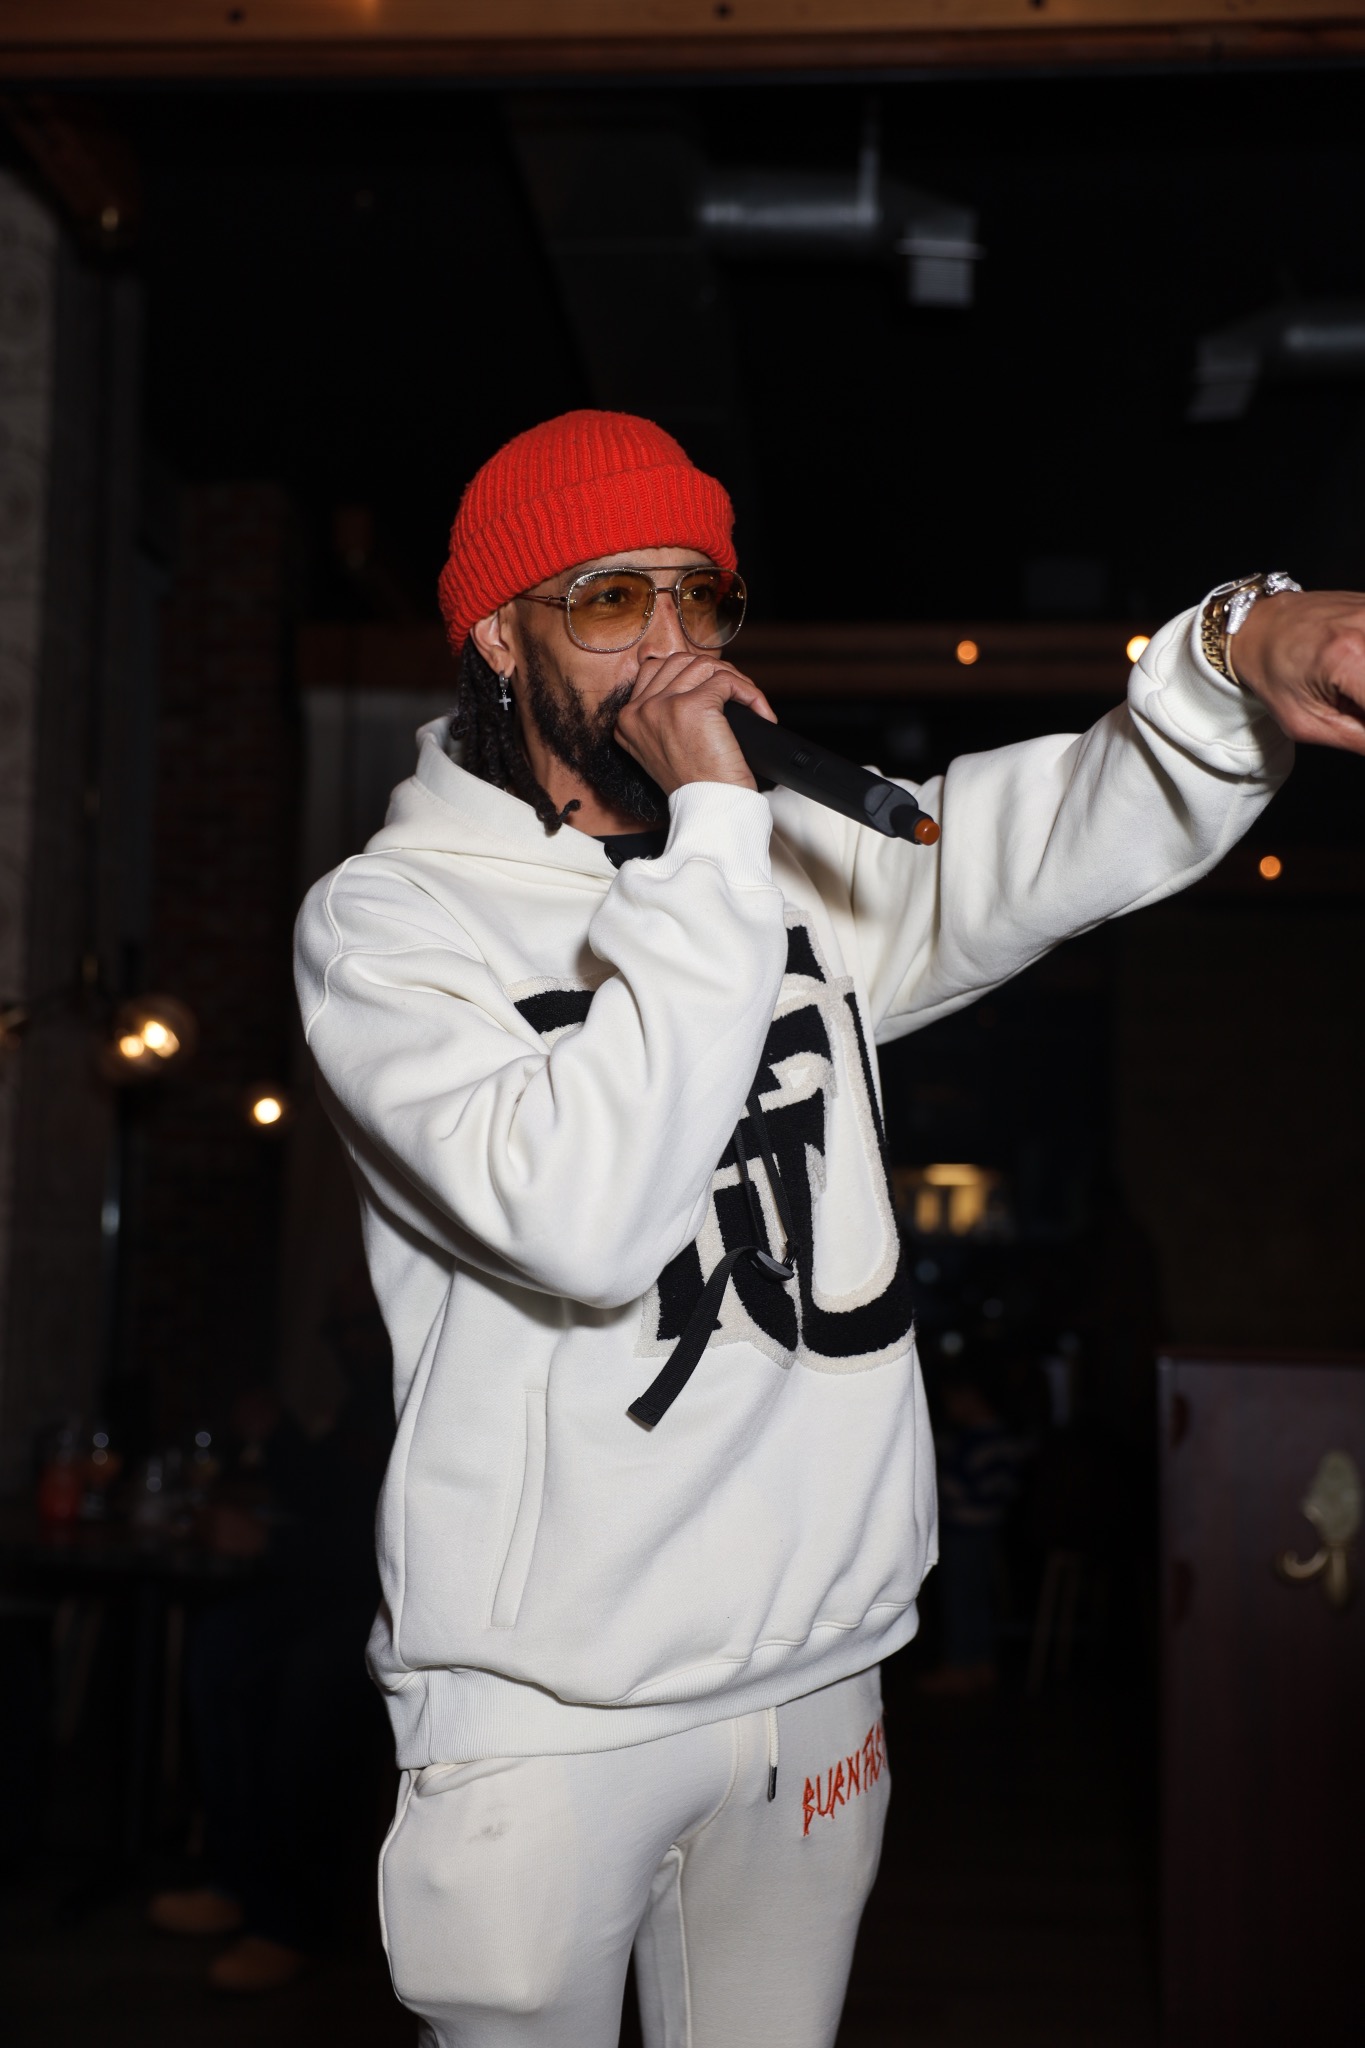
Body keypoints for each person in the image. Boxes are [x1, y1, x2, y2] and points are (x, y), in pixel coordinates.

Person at [294, 409, 1365, 2047]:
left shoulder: (781, 863)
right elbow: (580, 1217)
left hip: (815, 1667)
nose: (667, 644)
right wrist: (719, 836)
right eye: (608, 600)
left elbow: (1059, 825)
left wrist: (1232, 647)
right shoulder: (389, 923)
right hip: (550, 1702)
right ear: (499, 634)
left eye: (698, 596)